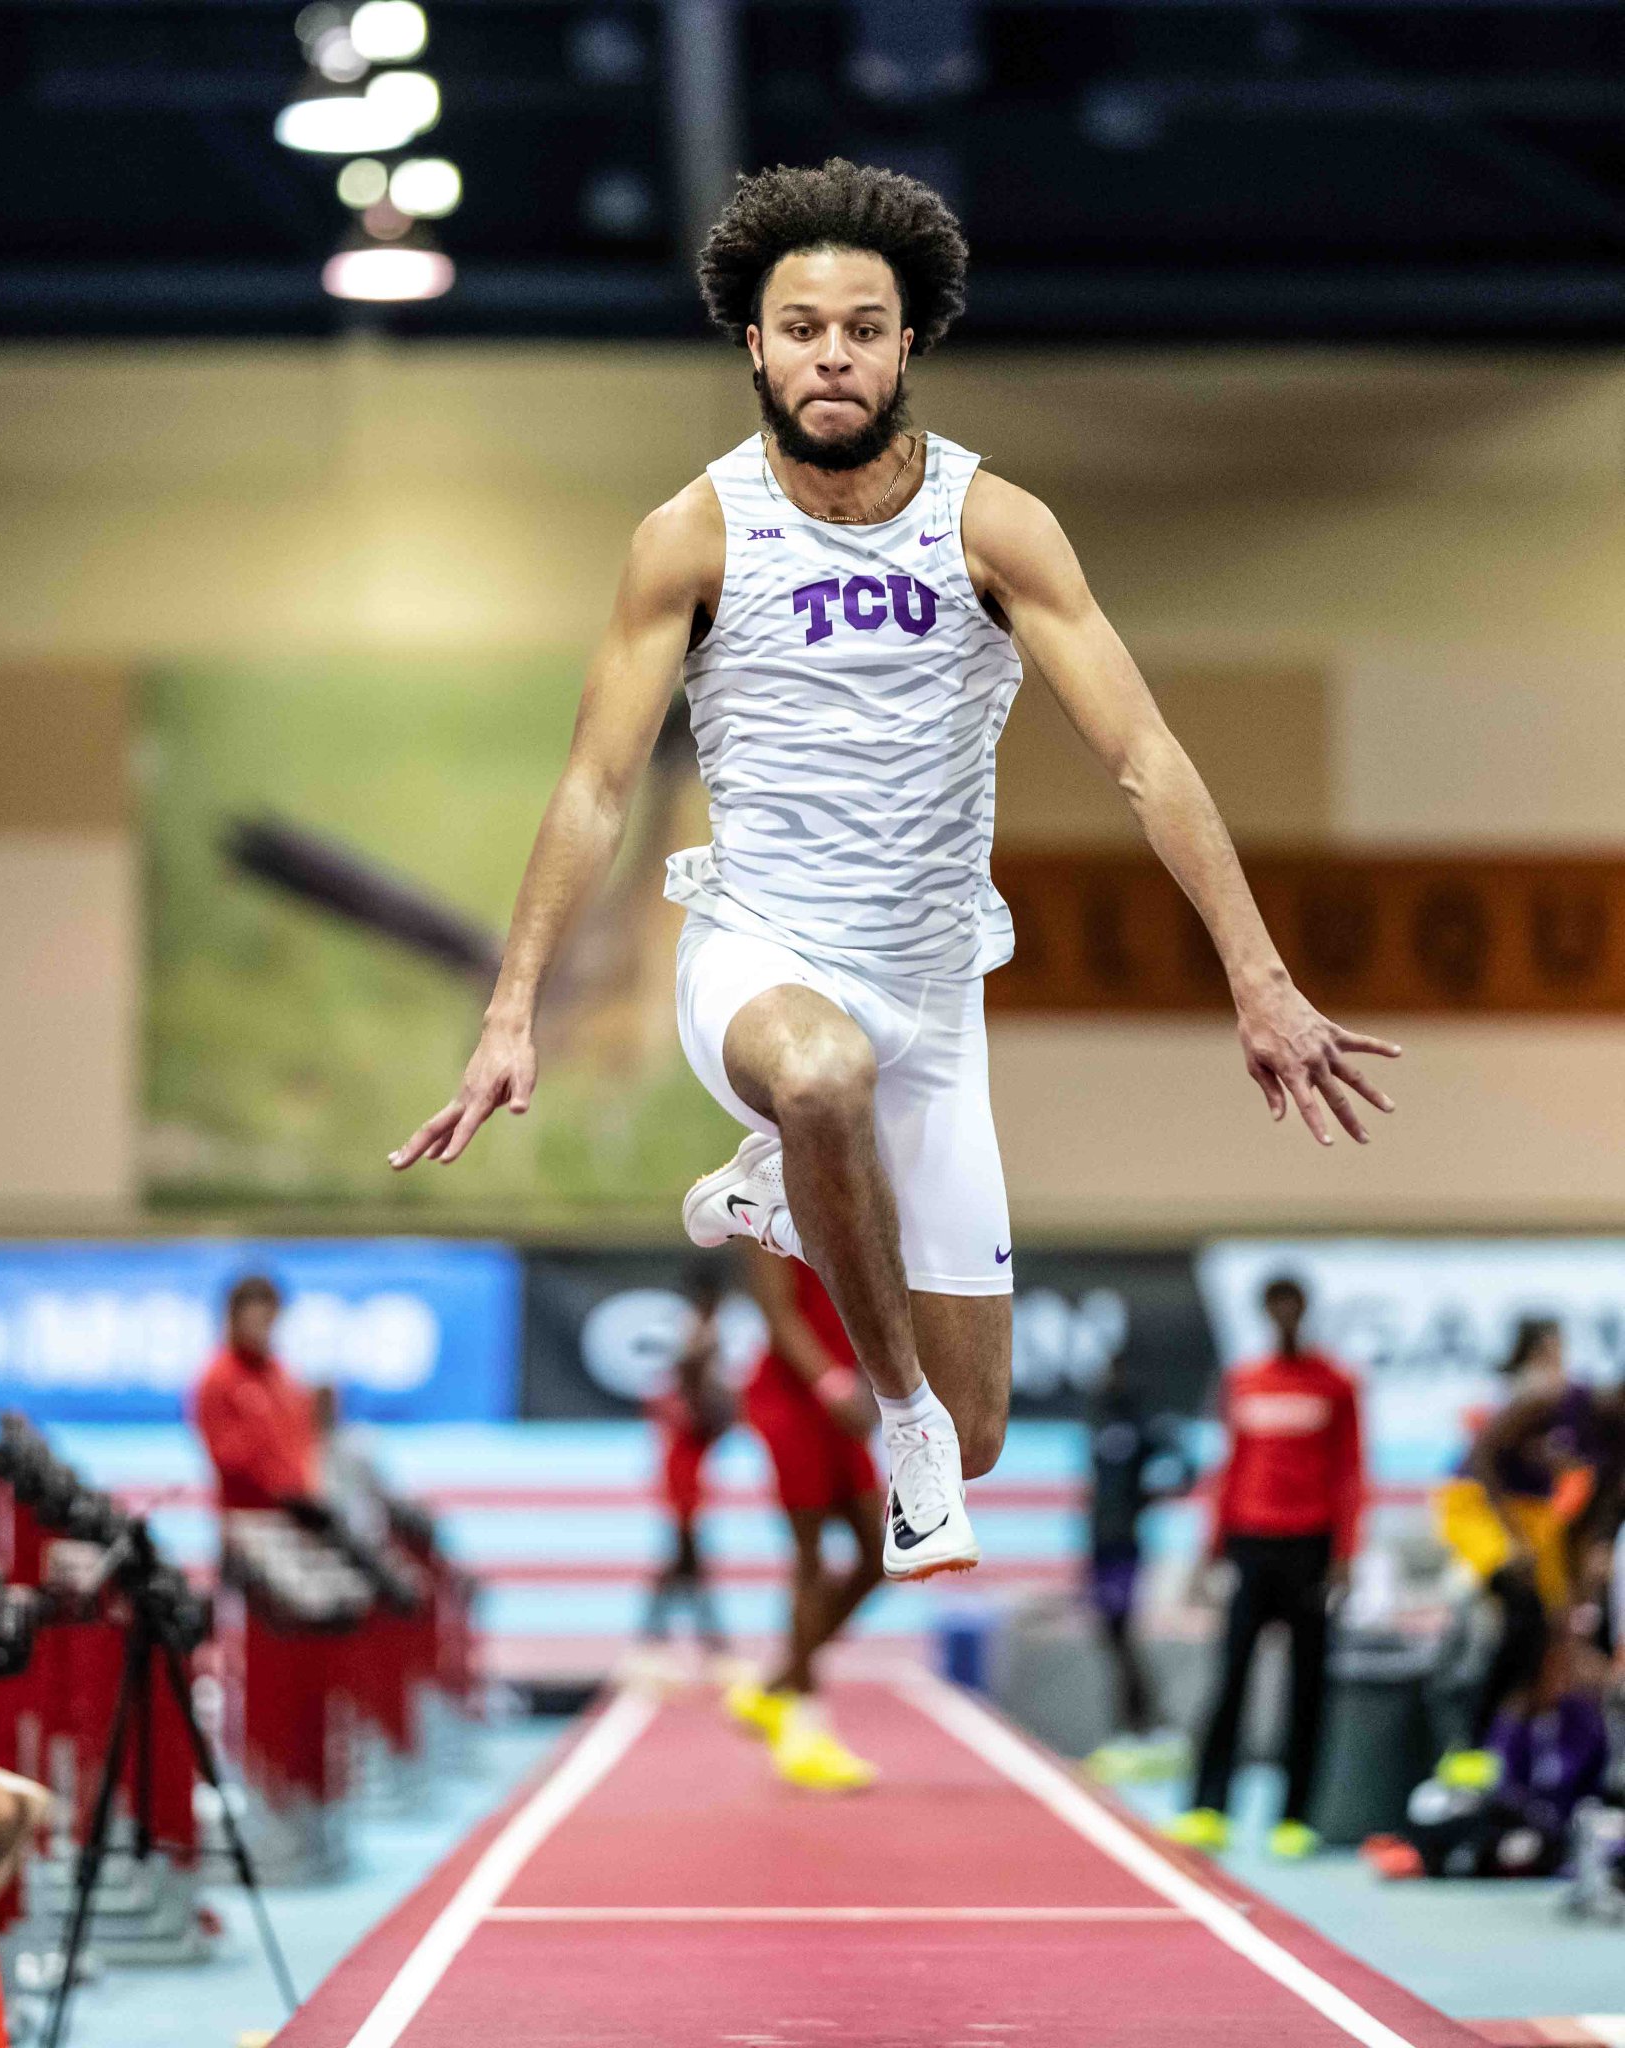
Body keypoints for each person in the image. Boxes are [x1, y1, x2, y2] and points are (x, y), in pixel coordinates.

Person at [389, 159, 1401, 1585]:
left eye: (861, 329)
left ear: (906, 340)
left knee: (987, 1426)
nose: (831, 356)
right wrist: (511, 1009)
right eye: (801, 329)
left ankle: (811, 1240)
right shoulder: (691, 535)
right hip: (757, 952)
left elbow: (1142, 755)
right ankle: (900, 1428)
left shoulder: (995, 526)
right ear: (754, 344)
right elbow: (596, 786)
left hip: (932, 993)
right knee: (820, 1078)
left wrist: (1260, 978)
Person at [1167, 1276, 1364, 1858]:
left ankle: (1295, 1817)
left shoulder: (1336, 1384)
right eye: (1275, 1307)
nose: (1284, 1316)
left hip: (1311, 1546)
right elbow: (1229, 1467)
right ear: (1265, 1313)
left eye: (1293, 1306)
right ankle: (1208, 1807)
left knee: (1307, 1685)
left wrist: (1346, 1554)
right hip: (1250, 1544)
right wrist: (1210, 1550)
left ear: (1303, 1310)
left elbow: (1351, 1472)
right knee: (1231, 1678)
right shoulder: (1244, 1381)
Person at [726, 1242, 884, 1791]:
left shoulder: (862, 1208)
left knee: (880, 1553)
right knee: (810, 1558)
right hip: (794, 1395)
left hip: (844, 1387)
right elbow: (779, 1312)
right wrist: (832, 1384)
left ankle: (776, 1683)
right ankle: (805, 1726)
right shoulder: (769, 1207)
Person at [1435, 1355, 1625, 1788]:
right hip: (1479, 1503)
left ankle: (1511, 1755)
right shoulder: (1557, 1399)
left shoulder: (1614, 1442)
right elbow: (1483, 1456)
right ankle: (1467, 1740)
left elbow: (1590, 1522)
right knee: (1521, 1607)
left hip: (1538, 1519)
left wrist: (1581, 1583)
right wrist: (1511, 1536)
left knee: (1553, 1631)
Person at [1082, 1351, 1195, 1783]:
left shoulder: (1141, 1425)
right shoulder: (1098, 1422)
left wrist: (1151, 1498)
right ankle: (1136, 1723)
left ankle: (1144, 1721)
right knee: (1110, 1635)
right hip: (1098, 1543)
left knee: (1121, 1633)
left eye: (1115, 1372)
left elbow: (1185, 1466)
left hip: (1126, 1545)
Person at [639, 1265, 735, 1662]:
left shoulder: (698, 1333)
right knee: (686, 1543)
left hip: (691, 1447)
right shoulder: (700, 1335)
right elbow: (691, 1383)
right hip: (687, 1447)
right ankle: (699, 1633)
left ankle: (662, 1629)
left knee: (686, 1545)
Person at [191, 1275, 324, 1523]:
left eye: (267, 1321)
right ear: (234, 1320)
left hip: (295, 1513)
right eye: (253, 1321)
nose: (261, 1330)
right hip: (248, 1517)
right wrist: (281, 1488)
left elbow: (302, 1438)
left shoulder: (281, 1375)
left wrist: (307, 1490)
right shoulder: (220, 1378)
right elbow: (228, 1457)